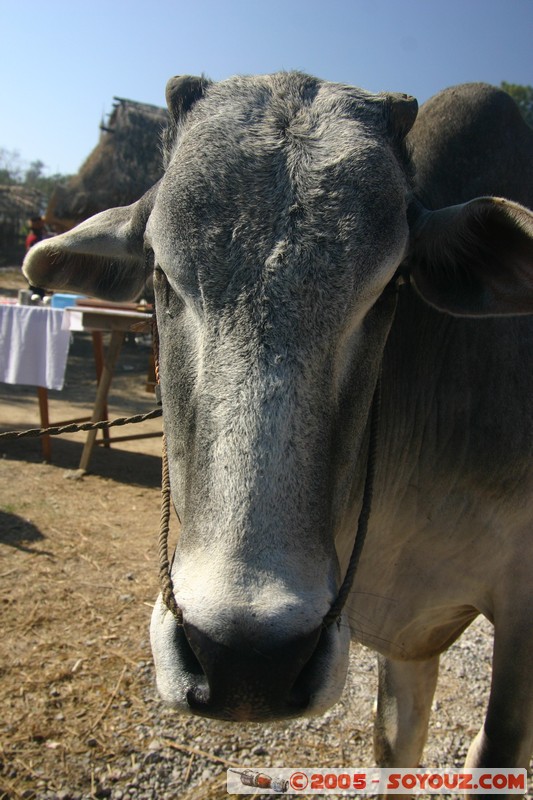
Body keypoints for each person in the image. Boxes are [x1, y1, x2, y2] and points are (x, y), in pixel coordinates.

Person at [24, 216, 46, 300]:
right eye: (39, 223)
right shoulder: (34, 238)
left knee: (38, 291)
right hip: (35, 269)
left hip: (38, 269)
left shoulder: (38, 236)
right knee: (36, 292)